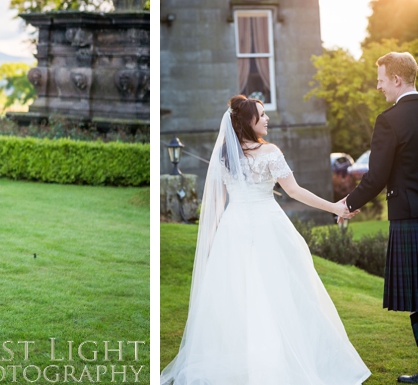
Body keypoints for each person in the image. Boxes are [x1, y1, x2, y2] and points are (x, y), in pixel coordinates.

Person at [160, 95, 371, 384]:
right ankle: (277, 361)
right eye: (262, 115)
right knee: (281, 292)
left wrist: (210, 242)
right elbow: (294, 192)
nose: (267, 118)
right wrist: (335, 207)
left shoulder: (223, 154)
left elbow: (217, 205)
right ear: (249, 122)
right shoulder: (269, 152)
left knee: (239, 295)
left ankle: (250, 360)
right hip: (267, 225)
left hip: (233, 229)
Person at [344, 51, 418, 383]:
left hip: (409, 217)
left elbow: (376, 177)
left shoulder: (389, 120)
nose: (378, 86)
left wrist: (347, 203)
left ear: (397, 80)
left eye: (381, 79)